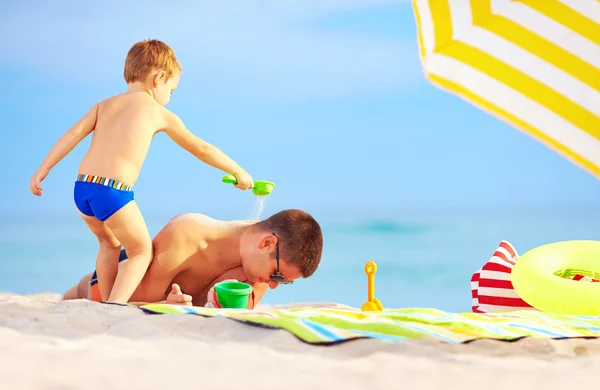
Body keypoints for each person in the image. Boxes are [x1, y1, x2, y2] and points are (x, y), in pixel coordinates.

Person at [29, 39, 254, 304]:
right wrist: (238, 170)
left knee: (109, 245)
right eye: (172, 89)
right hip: (112, 191)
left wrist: (44, 169)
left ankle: (105, 301)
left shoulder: (105, 104)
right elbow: (201, 148)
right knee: (140, 251)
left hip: (83, 188)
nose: (169, 97)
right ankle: (115, 305)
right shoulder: (158, 112)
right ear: (159, 78)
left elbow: (73, 134)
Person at [63, 209, 324, 308]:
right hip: (112, 281)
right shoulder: (188, 236)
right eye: (278, 276)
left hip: (151, 280)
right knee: (81, 289)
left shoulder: (258, 269)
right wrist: (166, 304)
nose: (274, 284)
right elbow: (123, 302)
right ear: (267, 243)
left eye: (283, 282)